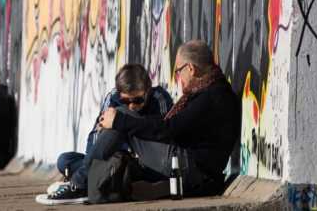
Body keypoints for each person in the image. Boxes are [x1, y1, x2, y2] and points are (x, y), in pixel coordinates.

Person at [91, 40, 240, 202]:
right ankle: (91, 178)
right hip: (194, 168)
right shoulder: (212, 90)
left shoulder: (212, 96)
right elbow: (173, 127)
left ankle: (83, 180)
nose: (178, 77)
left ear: (190, 69)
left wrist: (119, 121)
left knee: (120, 115)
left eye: (178, 71)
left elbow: (169, 129)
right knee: (121, 126)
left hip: (193, 170)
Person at [42, 64, 173, 204]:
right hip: (114, 159)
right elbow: (95, 138)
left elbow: (164, 136)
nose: (131, 106)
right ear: (119, 94)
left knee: (119, 116)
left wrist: (125, 123)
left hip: (143, 163)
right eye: (125, 101)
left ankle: (83, 183)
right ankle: (101, 180)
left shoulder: (159, 98)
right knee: (65, 160)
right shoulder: (112, 98)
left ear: (148, 90)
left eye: (137, 100)